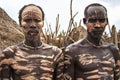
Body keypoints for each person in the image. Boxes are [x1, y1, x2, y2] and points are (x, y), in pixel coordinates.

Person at [0, 4, 64, 80]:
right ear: (20, 23)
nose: (33, 25)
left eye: (37, 20)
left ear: (42, 23)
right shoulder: (9, 54)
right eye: (27, 20)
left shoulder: (56, 54)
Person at [64, 3, 120, 80]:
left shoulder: (113, 50)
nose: (97, 25)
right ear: (85, 22)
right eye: (92, 20)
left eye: (101, 20)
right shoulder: (73, 51)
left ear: (106, 22)